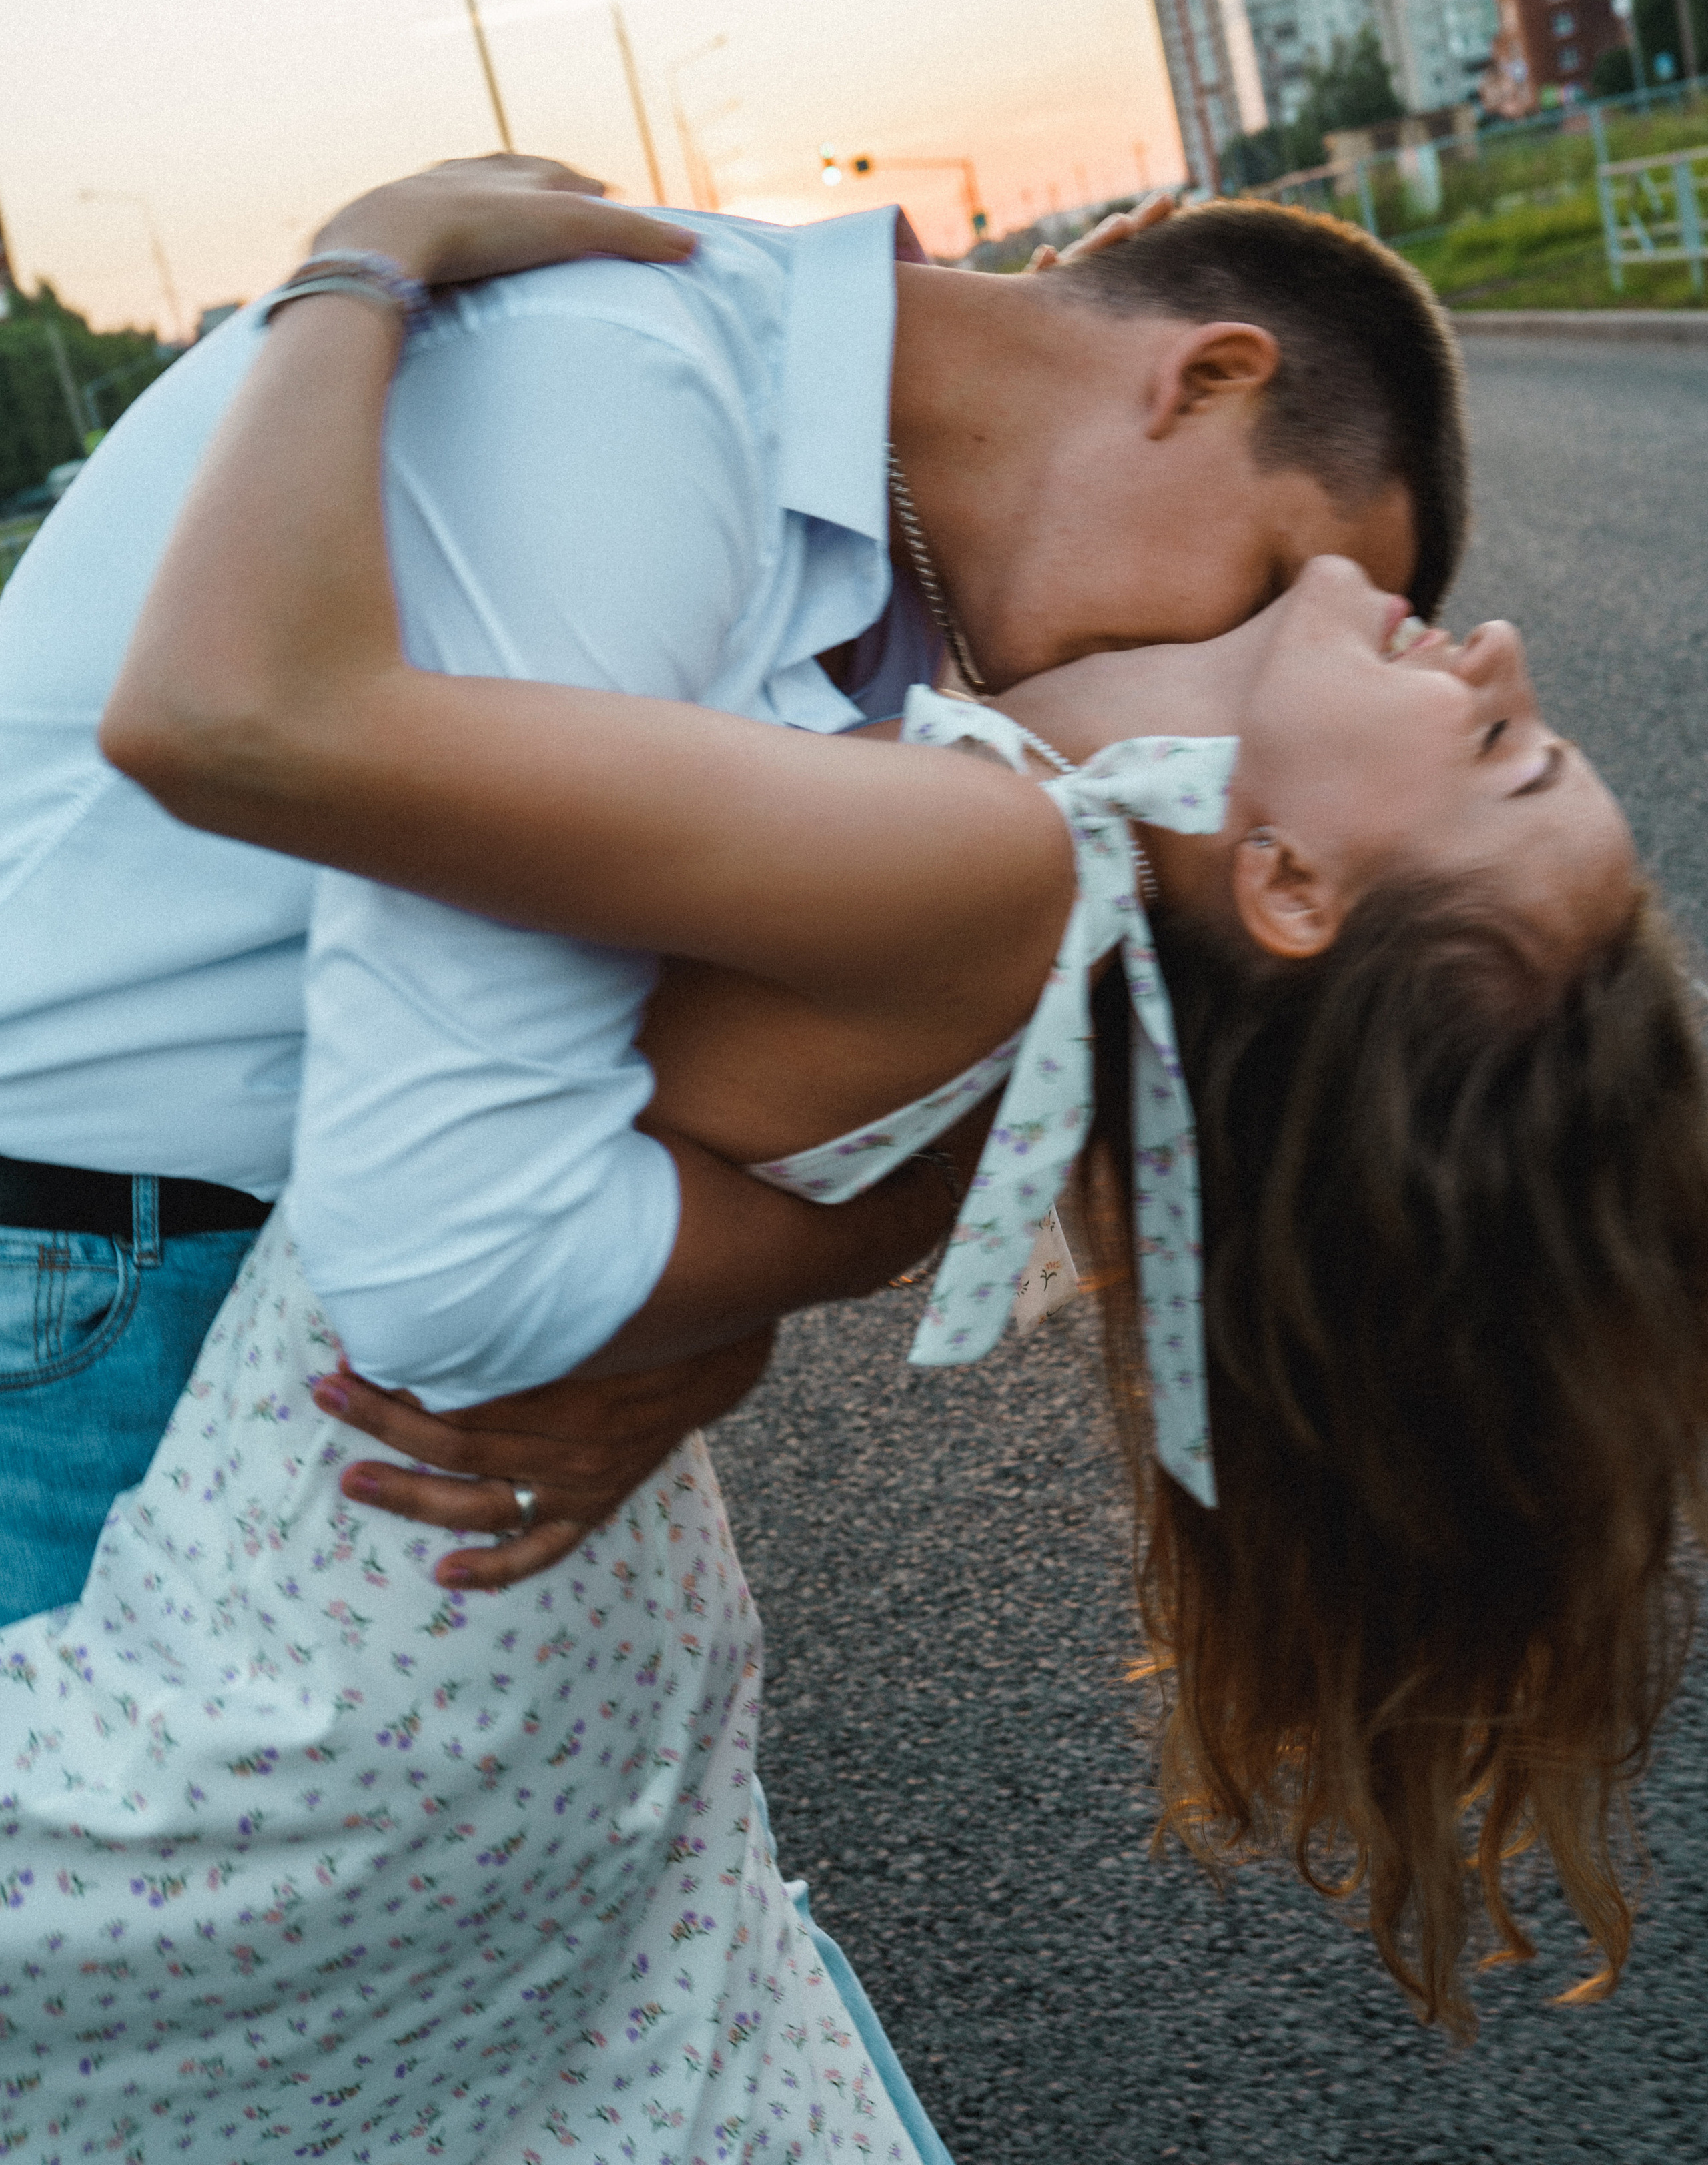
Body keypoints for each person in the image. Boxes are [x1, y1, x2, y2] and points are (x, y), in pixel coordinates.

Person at [96, 159, 1708, 2066]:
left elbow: (243, 729)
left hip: (330, 1661)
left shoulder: (1001, 851)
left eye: (1510, 755)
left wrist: (364, 254)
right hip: (506, 1661)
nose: (1486, 646)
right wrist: (733, 1315)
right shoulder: (977, 802)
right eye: (1278, 568)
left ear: (1286, 888)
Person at [0, 158, 1466, 1617]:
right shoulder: (633, 384)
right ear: (1205, 378)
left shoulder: (887, 576)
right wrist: (781, 1274)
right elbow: (478, 1197)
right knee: (116, 1834)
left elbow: (672, 1053)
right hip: (92, 1254)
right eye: (1267, 587)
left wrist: (710, 1325)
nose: (1238, 686)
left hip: (247, 1245)